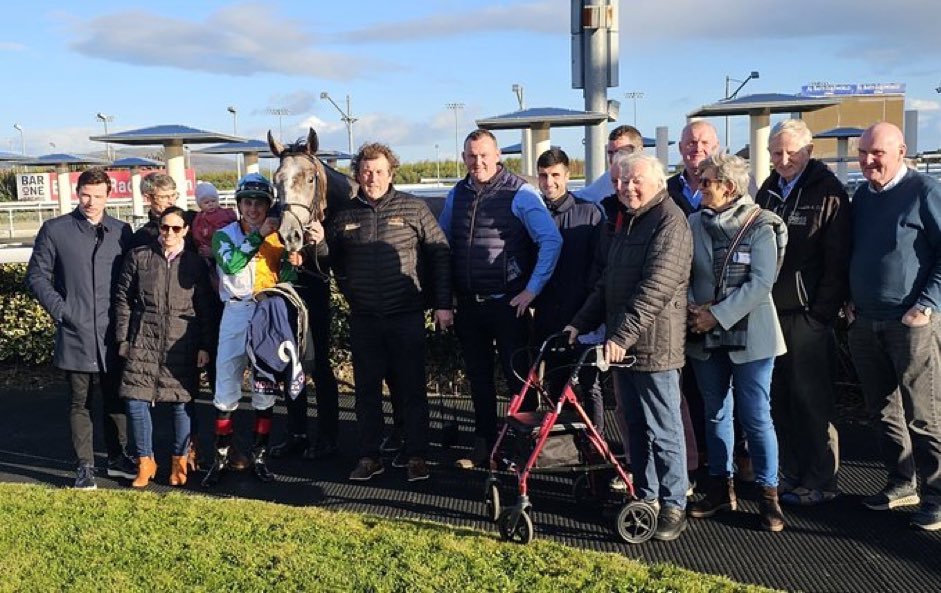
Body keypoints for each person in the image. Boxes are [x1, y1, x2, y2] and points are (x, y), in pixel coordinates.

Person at [565, 153, 693, 542]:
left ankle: (674, 504)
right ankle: (646, 494)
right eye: (621, 182)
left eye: (635, 181)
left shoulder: (671, 222)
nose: (627, 188)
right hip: (626, 346)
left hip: (654, 347)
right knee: (634, 426)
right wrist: (579, 322)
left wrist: (620, 336)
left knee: (664, 427)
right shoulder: (628, 222)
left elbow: (655, 288)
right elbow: (608, 283)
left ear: (657, 182)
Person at [327, 142, 452, 483]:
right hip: (365, 319)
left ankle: (416, 456)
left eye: (379, 171)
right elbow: (330, 262)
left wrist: (443, 304)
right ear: (358, 174)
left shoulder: (414, 208)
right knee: (366, 392)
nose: (373, 177)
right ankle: (369, 456)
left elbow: (440, 253)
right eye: (366, 171)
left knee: (411, 389)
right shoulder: (343, 216)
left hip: (406, 314)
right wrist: (316, 245)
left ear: (391, 172)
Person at [438, 129, 562, 469]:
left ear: (497, 157)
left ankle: (527, 448)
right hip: (469, 304)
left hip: (509, 303)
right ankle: (485, 446)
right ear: (463, 158)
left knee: (518, 379)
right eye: (471, 156)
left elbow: (551, 240)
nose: (477, 162)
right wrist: (445, 298)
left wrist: (532, 289)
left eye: (483, 155)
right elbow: (444, 246)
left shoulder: (520, 193)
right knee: (477, 378)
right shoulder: (456, 194)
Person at [685, 153, 787, 532]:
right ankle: (719, 487)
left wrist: (718, 314)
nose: (700, 186)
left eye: (707, 182)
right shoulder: (693, 222)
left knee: (756, 415)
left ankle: (767, 496)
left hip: (752, 335)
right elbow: (682, 271)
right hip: (703, 335)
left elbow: (761, 283)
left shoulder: (762, 225)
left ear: (728, 187)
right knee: (715, 412)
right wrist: (693, 310)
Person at [847, 122, 941, 531]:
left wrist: (927, 304)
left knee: (924, 413)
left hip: (910, 323)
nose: (869, 161)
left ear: (901, 151)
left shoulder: (924, 191)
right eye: (863, 153)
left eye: (877, 153)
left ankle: (937, 495)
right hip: (866, 320)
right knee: (882, 409)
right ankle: (902, 482)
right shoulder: (863, 196)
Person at [755, 119, 850, 506]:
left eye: (791, 152)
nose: (784, 159)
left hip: (807, 314)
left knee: (812, 400)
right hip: (770, 314)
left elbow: (837, 260)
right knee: (780, 399)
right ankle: (791, 472)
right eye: (777, 153)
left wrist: (820, 314)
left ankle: (821, 481)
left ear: (809, 152)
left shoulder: (829, 193)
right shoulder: (768, 190)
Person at [26, 167, 135, 490]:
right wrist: (63, 312)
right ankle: (85, 466)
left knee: (117, 400)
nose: (91, 201)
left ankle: (117, 457)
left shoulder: (121, 231)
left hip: (112, 333)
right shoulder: (55, 229)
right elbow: (36, 276)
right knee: (80, 403)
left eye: (98, 196)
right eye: (86, 194)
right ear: (78, 193)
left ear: (109, 196)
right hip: (75, 332)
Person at [201, 173, 297, 487]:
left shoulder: (278, 237)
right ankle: (221, 457)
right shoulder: (224, 235)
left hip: (268, 311)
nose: (253, 209)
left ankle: (259, 457)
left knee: (264, 388)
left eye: (259, 203)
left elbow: (286, 277)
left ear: (268, 205)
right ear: (239, 205)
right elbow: (230, 266)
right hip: (236, 311)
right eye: (248, 202)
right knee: (226, 386)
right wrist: (259, 237)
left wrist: (293, 262)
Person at [114, 206, 213, 488]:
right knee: (135, 401)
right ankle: (145, 461)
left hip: (182, 341)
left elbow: (205, 308)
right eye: (164, 227)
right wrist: (123, 338)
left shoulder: (194, 264)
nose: (168, 233)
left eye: (175, 228)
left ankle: (180, 461)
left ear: (185, 230)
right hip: (143, 338)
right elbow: (122, 298)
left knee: (181, 403)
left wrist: (205, 345)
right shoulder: (139, 256)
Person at [530, 148, 605, 430]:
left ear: (567, 175)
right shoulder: (533, 214)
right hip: (548, 315)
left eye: (555, 175)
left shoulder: (590, 213)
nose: (549, 182)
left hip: (582, 315)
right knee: (554, 384)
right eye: (543, 176)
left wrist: (590, 311)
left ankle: (596, 446)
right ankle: (560, 445)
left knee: (590, 385)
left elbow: (599, 267)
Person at [575, 125, 644, 203]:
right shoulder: (606, 180)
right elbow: (581, 196)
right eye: (610, 153)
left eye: (620, 152)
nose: (614, 157)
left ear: (639, 151)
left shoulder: (655, 178)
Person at [667, 120, 720, 217]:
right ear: (680, 148)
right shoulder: (666, 189)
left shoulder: (726, 189)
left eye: (705, 143)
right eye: (692, 143)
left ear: (716, 148)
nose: (698, 148)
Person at [130, 172, 180, 249]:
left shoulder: (193, 223)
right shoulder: (142, 237)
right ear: (147, 198)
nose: (171, 201)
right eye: (164, 197)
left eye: (173, 195)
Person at [191, 181, 237, 259]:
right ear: (200, 205)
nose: (210, 204)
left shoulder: (224, 214)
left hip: (222, 246)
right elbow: (196, 232)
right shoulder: (199, 218)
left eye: (213, 201)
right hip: (205, 247)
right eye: (206, 202)